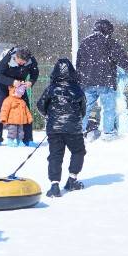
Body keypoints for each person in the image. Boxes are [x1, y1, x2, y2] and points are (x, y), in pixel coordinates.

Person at [77, 19, 128, 140]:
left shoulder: (84, 43)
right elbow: (121, 58)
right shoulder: (108, 42)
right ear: (107, 30)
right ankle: (108, 133)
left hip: (87, 82)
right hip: (105, 80)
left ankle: (78, 133)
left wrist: (80, 80)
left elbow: (79, 63)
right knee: (109, 108)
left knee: (85, 108)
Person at [38, 58, 88, 198]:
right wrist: (75, 119)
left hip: (54, 129)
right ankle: (72, 179)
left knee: (55, 155)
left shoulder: (50, 89)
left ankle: (54, 185)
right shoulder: (78, 90)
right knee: (78, 151)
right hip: (74, 129)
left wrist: (50, 115)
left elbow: (40, 105)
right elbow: (83, 110)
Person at [0, 47, 39, 146]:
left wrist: (31, 81)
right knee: (0, 109)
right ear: (16, 57)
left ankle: (28, 139)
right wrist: (12, 82)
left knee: (25, 110)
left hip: (20, 88)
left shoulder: (31, 60)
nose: (21, 64)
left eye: (24, 63)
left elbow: (35, 73)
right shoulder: (8, 59)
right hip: (5, 86)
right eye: (20, 62)